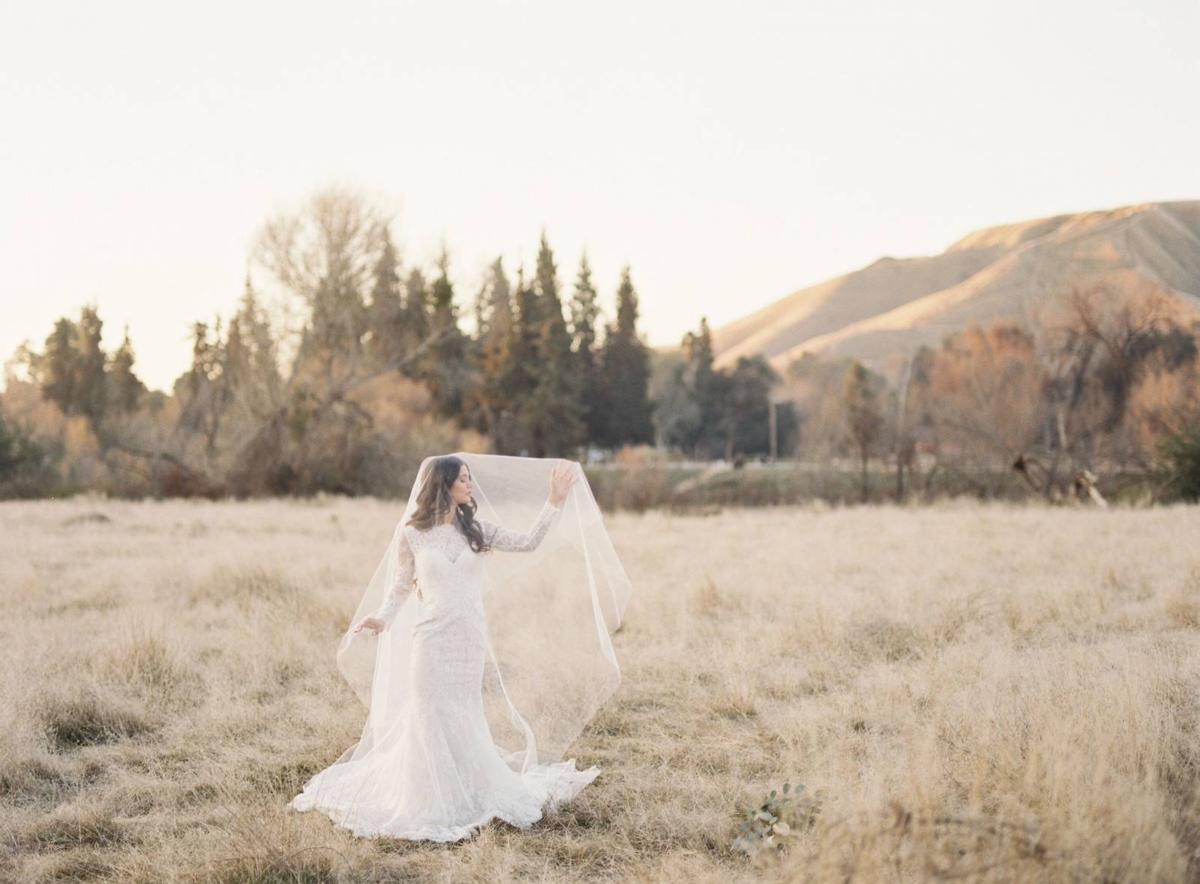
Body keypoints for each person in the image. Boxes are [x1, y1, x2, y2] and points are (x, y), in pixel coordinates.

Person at [289, 453, 631, 843]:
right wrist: (382, 618)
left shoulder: (478, 531)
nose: (471, 484)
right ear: (444, 485)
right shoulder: (413, 534)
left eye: (470, 478)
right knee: (428, 712)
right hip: (430, 639)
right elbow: (402, 585)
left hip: (468, 641)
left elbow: (530, 542)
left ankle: (466, 789)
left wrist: (554, 499)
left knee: (463, 713)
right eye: (464, 479)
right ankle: (428, 796)